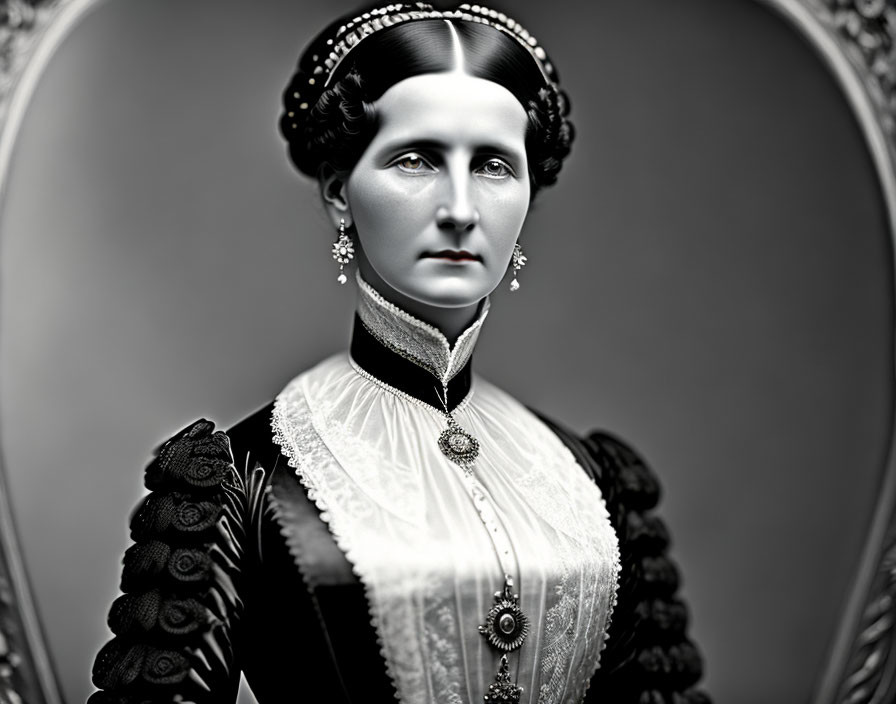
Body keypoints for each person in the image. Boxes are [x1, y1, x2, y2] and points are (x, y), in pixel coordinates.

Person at [88, 4, 711, 703]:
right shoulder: (242, 477)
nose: (460, 208)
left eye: (494, 166)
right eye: (416, 160)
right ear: (337, 193)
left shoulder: (595, 481)